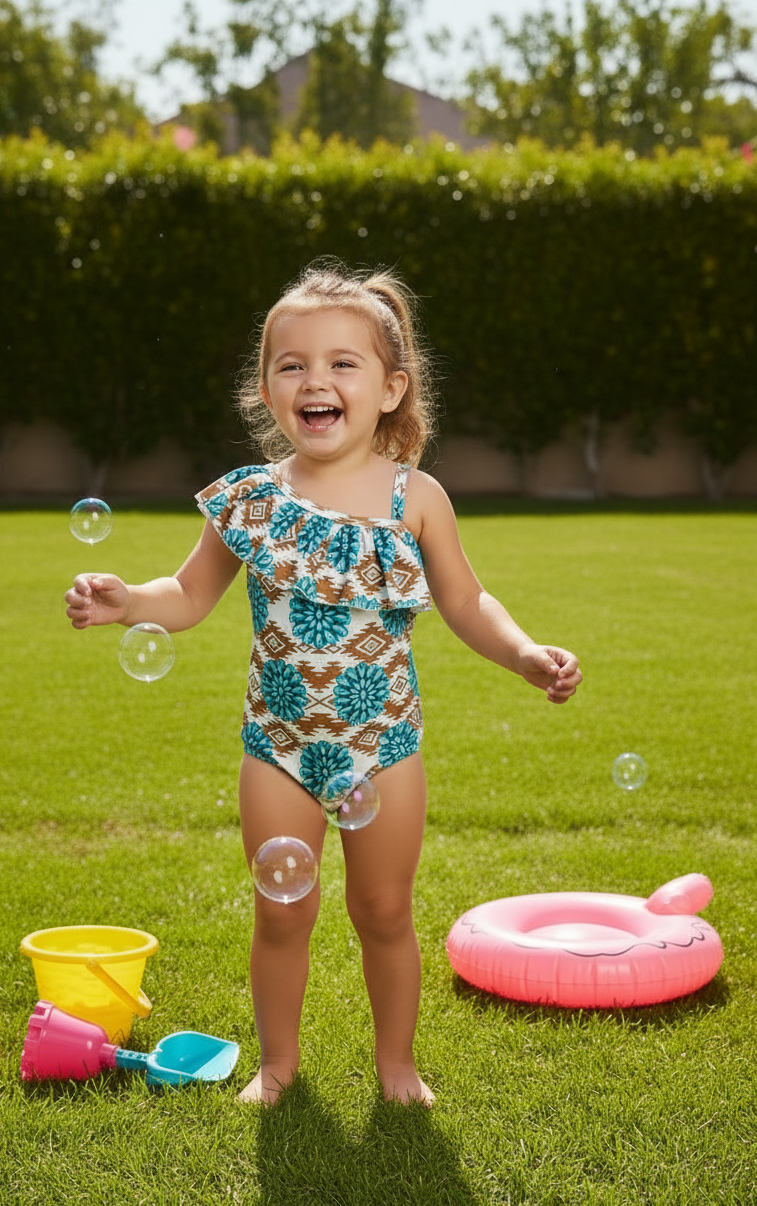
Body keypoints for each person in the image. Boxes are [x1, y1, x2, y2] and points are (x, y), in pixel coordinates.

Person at [65, 261, 582, 1107]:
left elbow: (466, 599)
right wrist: (127, 601)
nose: (317, 380)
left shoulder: (417, 498)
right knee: (282, 911)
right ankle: (278, 1065)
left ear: (390, 388)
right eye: (292, 364)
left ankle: (397, 1066)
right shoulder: (254, 500)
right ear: (267, 390)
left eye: (344, 363)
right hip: (277, 744)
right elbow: (189, 594)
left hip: (385, 744)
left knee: (383, 910)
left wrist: (525, 651)